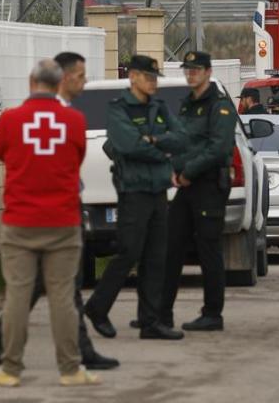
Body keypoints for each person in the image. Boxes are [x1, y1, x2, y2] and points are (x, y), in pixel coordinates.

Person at [0, 52, 118, 370]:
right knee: (63, 294)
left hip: (21, 218)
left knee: (21, 293)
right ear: (61, 80)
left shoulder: (10, 120)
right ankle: (72, 362)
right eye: (81, 76)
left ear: (32, 82)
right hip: (62, 217)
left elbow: (2, 152)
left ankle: (8, 358)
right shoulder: (73, 120)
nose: (83, 82)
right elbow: (76, 156)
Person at [86, 55, 185, 341]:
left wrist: (152, 141)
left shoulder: (159, 106)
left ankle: (150, 321)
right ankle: (98, 306)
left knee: (156, 256)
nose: (154, 82)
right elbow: (127, 145)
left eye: (155, 77)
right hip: (133, 190)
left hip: (158, 189)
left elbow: (180, 138)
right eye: (148, 77)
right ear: (133, 78)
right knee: (129, 251)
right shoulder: (119, 109)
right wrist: (160, 148)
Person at [160, 51, 238, 333]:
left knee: (208, 251)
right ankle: (161, 313)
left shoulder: (220, 107)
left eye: (196, 70)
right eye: (187, 70)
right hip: (186, 185)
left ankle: (212, 313)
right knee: (172, 247)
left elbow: (218, 148)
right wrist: (174, 168)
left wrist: (188, 172)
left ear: (207, 72)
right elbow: (182, 141)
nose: (190, 74)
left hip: (208, 186)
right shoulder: (187, 105)